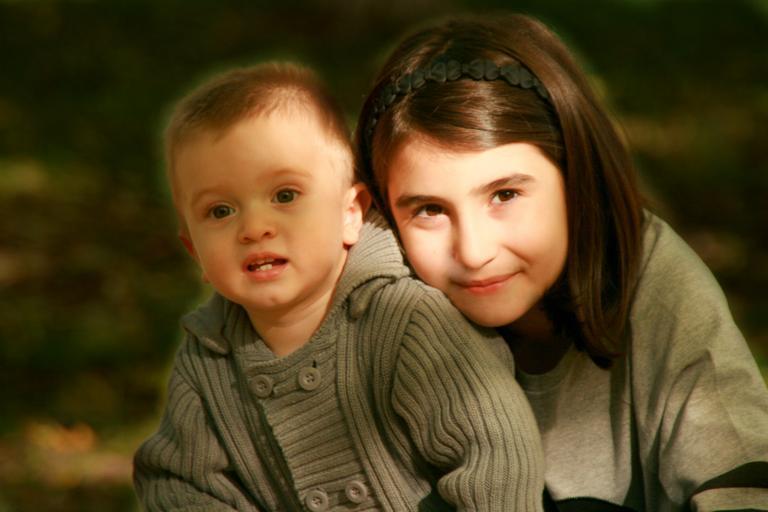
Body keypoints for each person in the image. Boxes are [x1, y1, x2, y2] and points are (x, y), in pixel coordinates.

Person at [356, 12, 768, 512]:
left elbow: (744, 487)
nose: (474, 252)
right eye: (429, 210)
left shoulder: (652, 278)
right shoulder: (369, 317)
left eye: (505, 194)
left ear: (575, 177)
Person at [133, 61, 546, 511]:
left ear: (350, 213)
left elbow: (496, 453)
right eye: (220, 211)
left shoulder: (406, 322)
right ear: (195, 252)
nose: (254, 228)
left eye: (285, 195)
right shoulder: (207, 358)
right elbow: (179, 485)